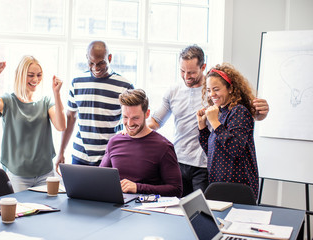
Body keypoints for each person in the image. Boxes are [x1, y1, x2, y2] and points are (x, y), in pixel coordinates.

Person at [147, 45, 269, 196]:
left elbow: (237, 146)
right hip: (195, 166)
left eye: (191, 72)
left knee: (204, 212)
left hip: (218, 174)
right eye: (182, 71)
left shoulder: (235, 109)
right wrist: (202, 126)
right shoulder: (217, 108)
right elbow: (211, 146)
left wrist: (216, 123)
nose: (186, 76)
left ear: (202, 67)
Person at [0, 55, 66, 192]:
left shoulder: (46, 101)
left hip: (45, 173)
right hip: (18, 176)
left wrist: (57, 94)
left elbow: (61, 126)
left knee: (51, 210)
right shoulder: (8, 101)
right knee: (23, 212)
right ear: (20, 75)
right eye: (30, 75)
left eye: (39, 75)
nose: (35, 80)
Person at [56, 41, 133, 171]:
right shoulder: (77, 82)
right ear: (87, 58)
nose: (96, 68)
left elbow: (131, 122)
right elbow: (70, 118)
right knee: (77, 192)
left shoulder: (125, 86)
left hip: (110, 157)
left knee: (106, 192)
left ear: (109, 58)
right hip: (79, 156)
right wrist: (61, 151)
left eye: (101, 63)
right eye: (91, 63)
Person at [100, 89, 182, 197]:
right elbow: (100, 178)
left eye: (135, 118)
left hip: (146, 209)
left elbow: (176, 190)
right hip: (116, 205)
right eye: (125, 117)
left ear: (147, 114)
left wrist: (138, 188)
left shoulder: (163, 147)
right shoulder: (114, 142)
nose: (129, 123)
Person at [196, 63, 259, 199]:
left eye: (216, 89)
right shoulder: (220, 113)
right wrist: (203, 127)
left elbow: (235, 149)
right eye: (208, 90)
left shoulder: (239, 111)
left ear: (230, 89)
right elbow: (212, 151)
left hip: (238, 186)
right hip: (219, 183)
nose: (212, 94)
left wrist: (214, 122)